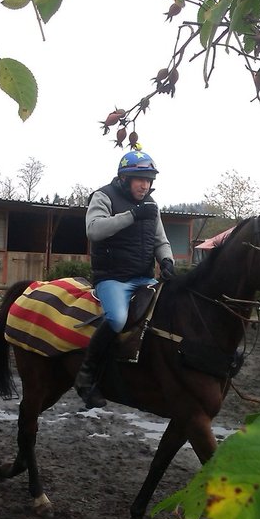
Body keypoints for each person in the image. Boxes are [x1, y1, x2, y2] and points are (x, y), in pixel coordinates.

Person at [75, 149, 175, 409]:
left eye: (149, 179)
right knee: (118, 319)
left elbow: (160, 241)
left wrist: (167, 261)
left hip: (144, 278)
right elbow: (94, 230)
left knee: (174, 308)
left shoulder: (152, 206)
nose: (145, 185)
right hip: (113, 279)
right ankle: (86, 376)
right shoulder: (103, 196)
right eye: (140, 179)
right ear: (124, 179)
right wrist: (132, 215)